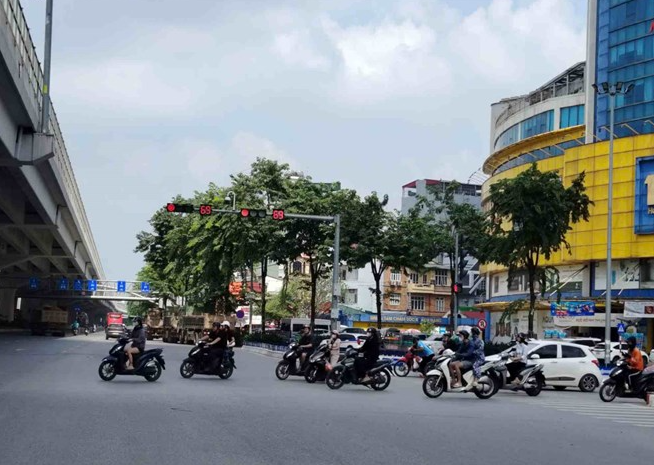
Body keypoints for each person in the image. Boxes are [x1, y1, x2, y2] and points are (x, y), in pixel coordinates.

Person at [464, 327, 485, 391]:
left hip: (479, 358)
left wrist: (473, 352)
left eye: (472, 332)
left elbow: (480, 349)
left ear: (474, 333)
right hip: (472, 357)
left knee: (475, 365)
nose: (471, 334)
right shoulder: (471, 340)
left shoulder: (480, 341)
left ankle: (476, 380)